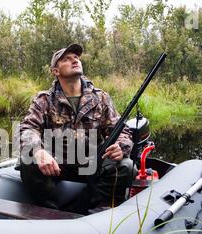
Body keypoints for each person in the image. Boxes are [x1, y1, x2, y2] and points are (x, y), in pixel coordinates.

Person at [19, 44, 135, 214]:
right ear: (55, 71)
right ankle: (50, 211)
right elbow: (28, 128)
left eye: (76, 58)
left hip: (92, 163)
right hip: (57, 164)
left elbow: (121, 131)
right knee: (27, 161)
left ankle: (92, 208)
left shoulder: (101, 98)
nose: (74, 60)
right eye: (66, 59)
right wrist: (38, 151)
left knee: (126, 166)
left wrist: (121, 146)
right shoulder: (44, 100)